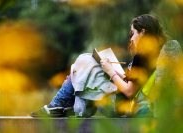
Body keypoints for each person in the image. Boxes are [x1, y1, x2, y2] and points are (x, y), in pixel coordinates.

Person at [31, 14, 166, 117]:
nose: (131, 38)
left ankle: (59, 106)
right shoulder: (154, 52)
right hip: (123, 103)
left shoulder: (142, 55)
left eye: (133, 33)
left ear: (142, 32)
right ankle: (62, 106)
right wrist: (114, 71)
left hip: (120, 105)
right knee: (85, 66)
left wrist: (110, 71)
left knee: (86, 62)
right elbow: (135, 84)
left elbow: (129, 91)